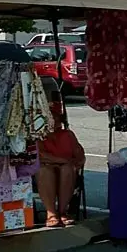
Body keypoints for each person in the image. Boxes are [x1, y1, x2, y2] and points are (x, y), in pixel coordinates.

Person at [37, 95, 86, 228]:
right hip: (47, 168)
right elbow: (40, 155)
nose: (53, 121)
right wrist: (62, 160)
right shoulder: (39, 136)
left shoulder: (67, 135)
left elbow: (80, 155)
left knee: (67, 169)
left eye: (56, 117)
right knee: (45, 171)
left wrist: (73, 163)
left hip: (66, 168)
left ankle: (63, 212)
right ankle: (51, 213)